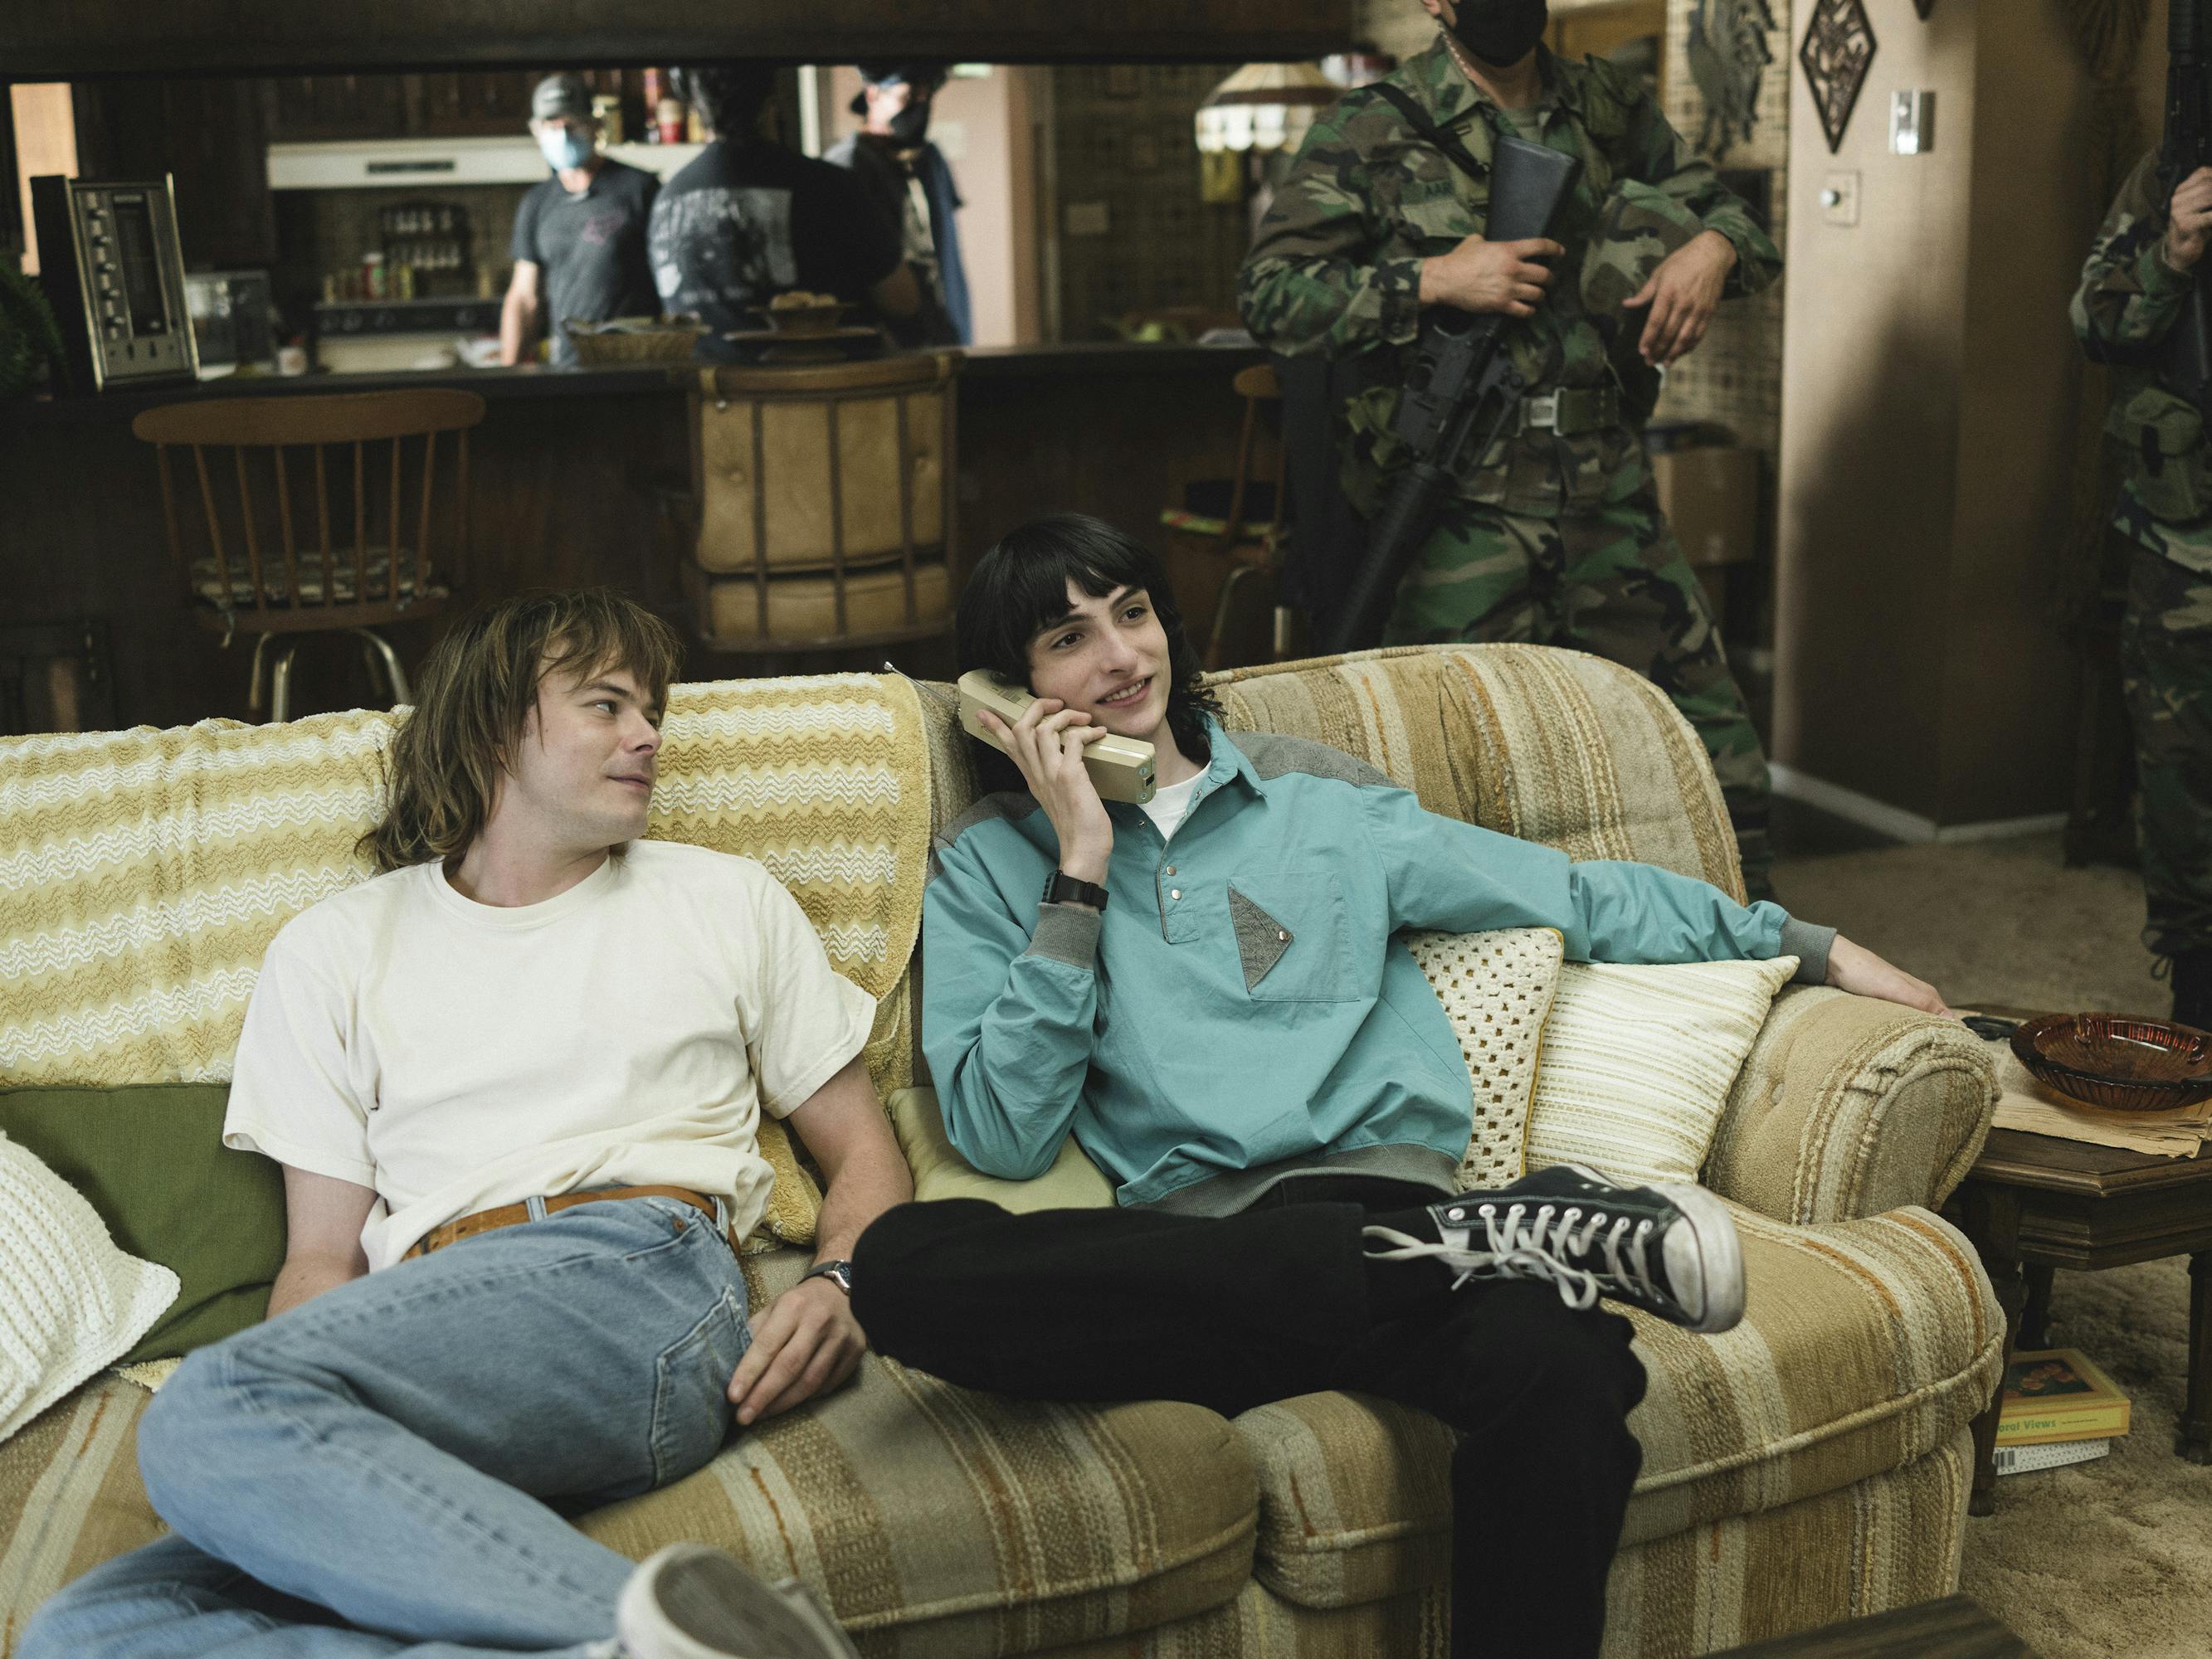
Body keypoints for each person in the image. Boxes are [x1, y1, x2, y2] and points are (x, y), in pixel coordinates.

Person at [846, 513, 1949, 1659]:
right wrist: (1078, 864)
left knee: (1566, 1369)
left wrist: (1808, 944)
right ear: (1007, 693)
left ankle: (1465, 1248)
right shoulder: (989, 861)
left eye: (1130, 614)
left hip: (1389, 1205)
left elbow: (1571, 896)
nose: (1120, 657)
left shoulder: (1319, 808)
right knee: (900, 1272)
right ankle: (1518, 1236)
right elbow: (1004, 1131)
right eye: (1067, 640)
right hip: (1195, 1264)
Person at [20, 589, 909, 1659]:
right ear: (493, 723)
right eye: (607, 704)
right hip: (429, 1339)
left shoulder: (719, 898)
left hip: (640, 1279)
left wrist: (844, 1282)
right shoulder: (336, 946)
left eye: (653, 710)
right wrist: (281, 1458)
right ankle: (634, 1644)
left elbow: (861, 1146)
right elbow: (319, 1258)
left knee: (209, 1405)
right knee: (92, 1626)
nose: (648, 735)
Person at [1239, 0, 1784, 899]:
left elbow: (1731, 215)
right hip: (1459, 510)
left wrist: (1714, 248)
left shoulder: (1605, 103)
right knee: (1449, 778)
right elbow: (1270, 296)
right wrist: (1433, 278)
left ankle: (1751, 950)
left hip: (1603, 495)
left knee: (1713, 757)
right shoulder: (1372, 125)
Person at [2073, 148, 2212, 1029]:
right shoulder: (2171, 168)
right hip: (2184, 545)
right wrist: (2172, 250)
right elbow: (2094, 322)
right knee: (2181, 784)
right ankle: (2198, 1000)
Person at [647, 63, 919, 360]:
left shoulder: (667, 197)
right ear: (771, 103)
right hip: (820, 396)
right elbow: (903, 300)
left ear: (696, 108)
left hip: (714, 399)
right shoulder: (829, 186)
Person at [500, 75, 663, 369]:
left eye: (571, 124)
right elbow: (523, 297)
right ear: (536, 131)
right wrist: (505, 373)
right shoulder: (536, 203)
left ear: (595, 125)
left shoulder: (640, 189)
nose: (561, 134)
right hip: (567, 365)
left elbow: (669, 275)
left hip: (637, 363)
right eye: (551, 126)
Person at [824, 62, 972, 346]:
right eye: (908, 96)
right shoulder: (849, 166)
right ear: (872, 95)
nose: (921, 106)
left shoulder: (930, 161)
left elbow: (946, 255)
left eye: (926, 97)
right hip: (885, 342)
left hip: (940, 333)